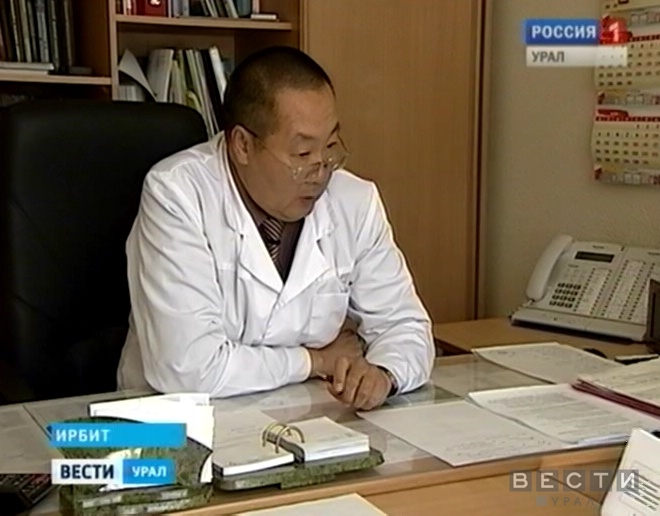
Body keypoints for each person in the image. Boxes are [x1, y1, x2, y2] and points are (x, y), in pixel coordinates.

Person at [116, 46, 434, 411]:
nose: (321, 170)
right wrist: (315, 361)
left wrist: (384, 374)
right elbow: (188, 368)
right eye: (302, 154)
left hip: (306, 415)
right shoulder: (177, 194)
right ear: (242, 145)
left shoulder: (354, 202)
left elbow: (406, 326)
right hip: (178, 423)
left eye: (331, 146)